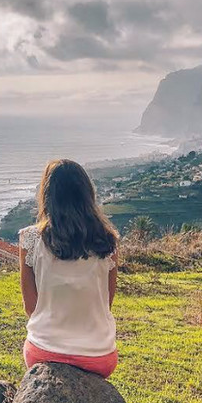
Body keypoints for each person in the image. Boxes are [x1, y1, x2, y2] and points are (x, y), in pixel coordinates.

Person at [18, 159, 119, 378]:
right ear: (87, 193)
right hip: (100, 356)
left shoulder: (30, 239)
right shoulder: (109, 241)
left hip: (44, 351)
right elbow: (106, 302)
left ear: (47, 195)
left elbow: (30, 307)